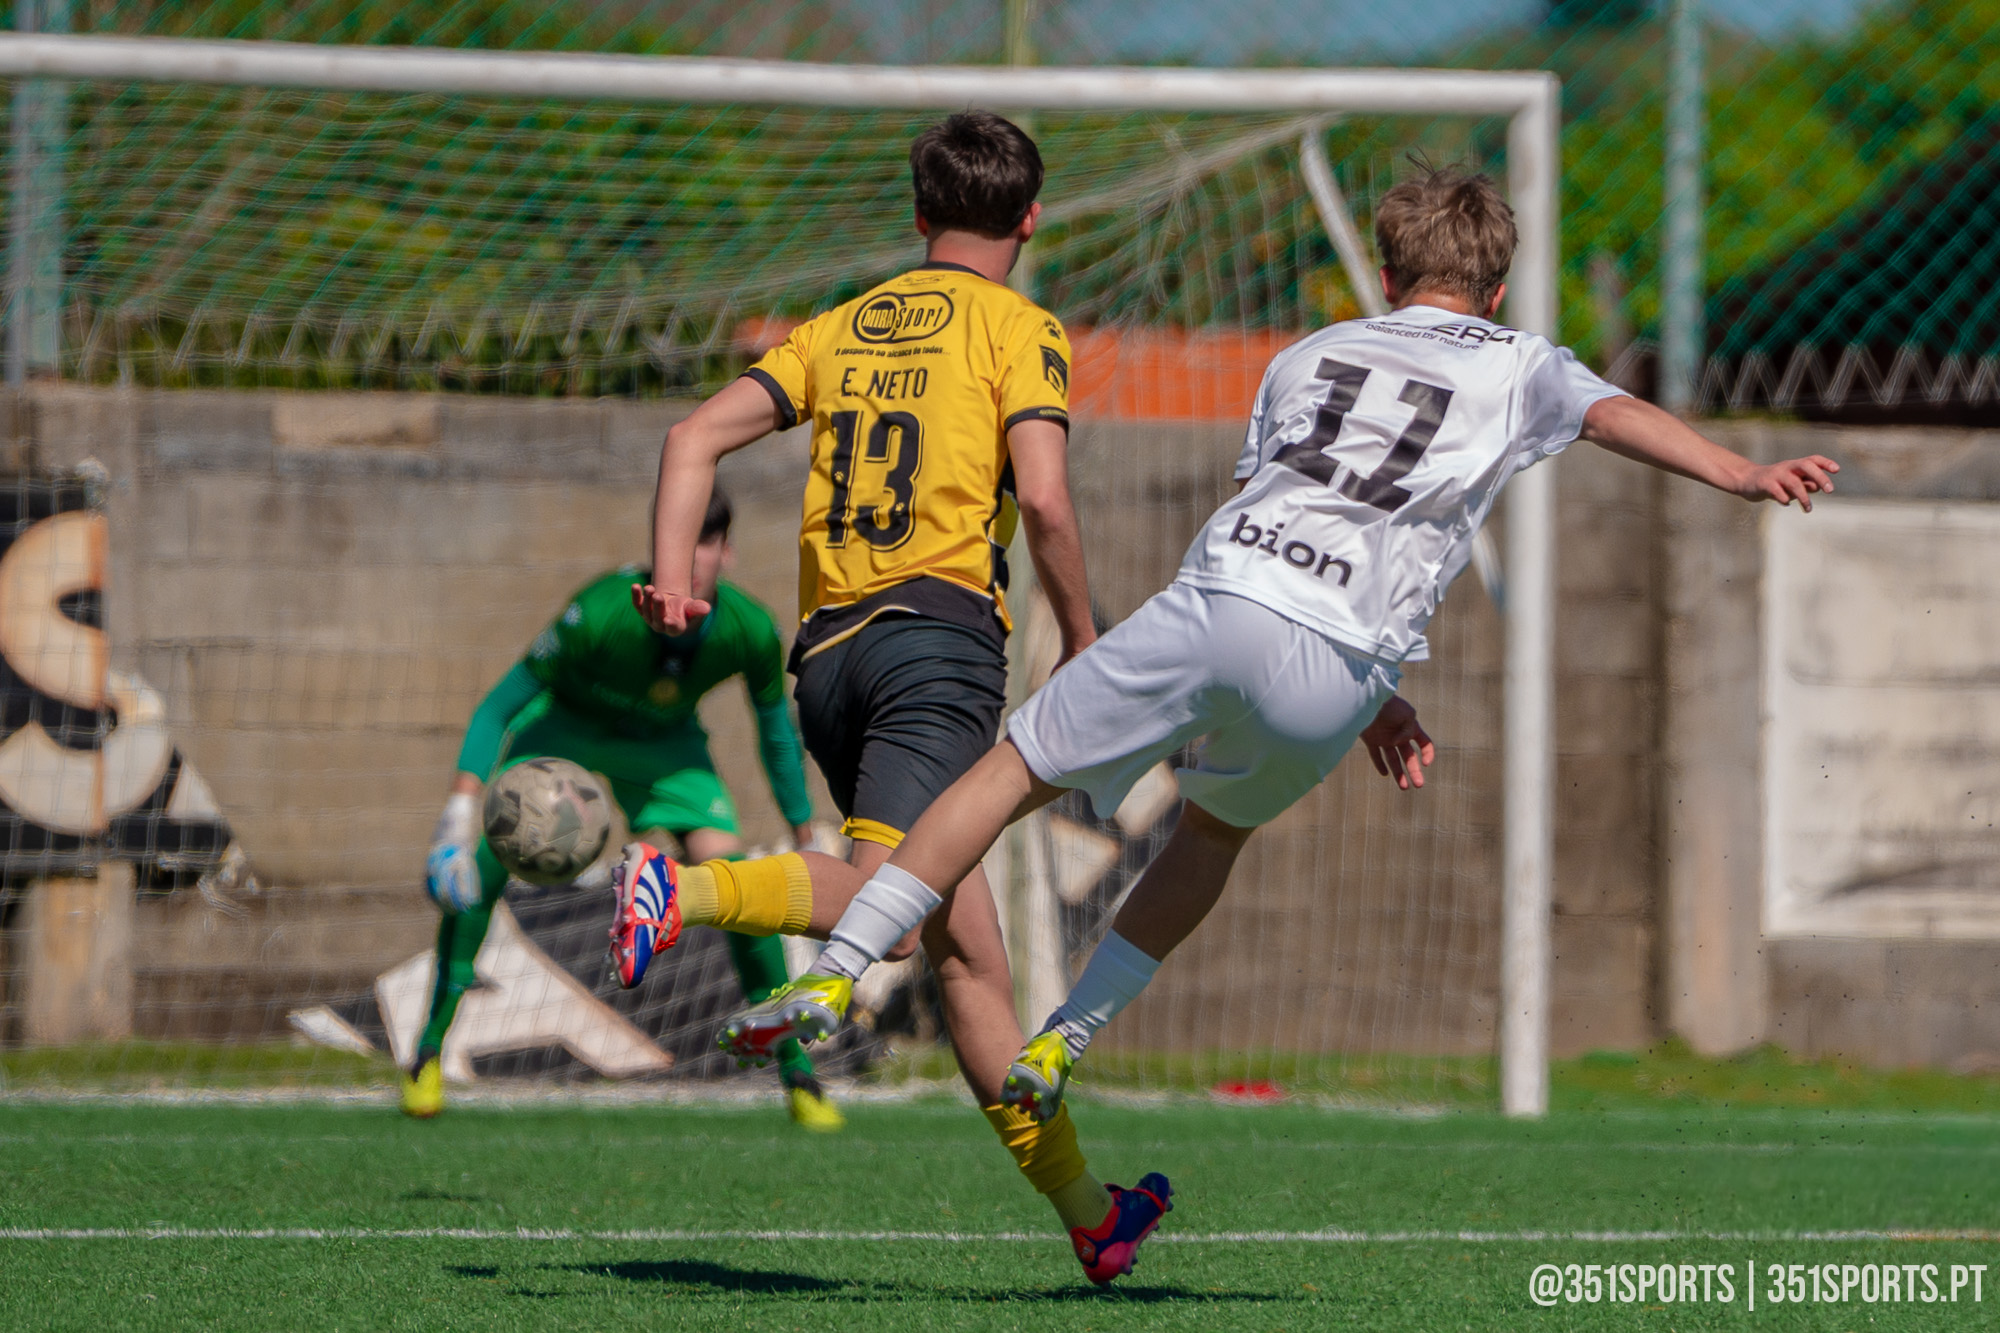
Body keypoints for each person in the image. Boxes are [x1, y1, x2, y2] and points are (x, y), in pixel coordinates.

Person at [697, 164, 1840, 1275]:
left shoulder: (1308, 352)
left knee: (1002, 774)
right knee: (1210, 833)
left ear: (1385, 276)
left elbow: (1285, 502)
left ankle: (833, 970)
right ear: (1494, 289)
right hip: (1337, 665)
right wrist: (1736, 473)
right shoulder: (1522, 362)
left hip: (1218, 600)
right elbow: (1615, 415)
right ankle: (1064, 1040)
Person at [615, 112, 1159, 1282]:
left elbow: (691, 436)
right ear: (1030, 219)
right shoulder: (1020, 327)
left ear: (918, 216)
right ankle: (680, 889)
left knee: (969, 956)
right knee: (894, 914)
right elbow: (1044, 500)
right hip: (936, 649)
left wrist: (672, 581)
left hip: (829, 661)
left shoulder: (840, 325)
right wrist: (1082, 636)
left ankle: (1089, 1213)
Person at [406, 490, 841, 1131]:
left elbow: (776, 735)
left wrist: (805, 834)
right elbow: (499, 707)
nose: (691, 560)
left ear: (727, 552)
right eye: (680, 541)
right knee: (485, 865)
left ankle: (797, 1071)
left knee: (736, 873)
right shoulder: (601, 611)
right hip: (570, 726)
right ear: (658, 548)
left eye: (706, 543)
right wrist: (457, 816)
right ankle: (428, 1052)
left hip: (666, 745)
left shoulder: (749, 630)